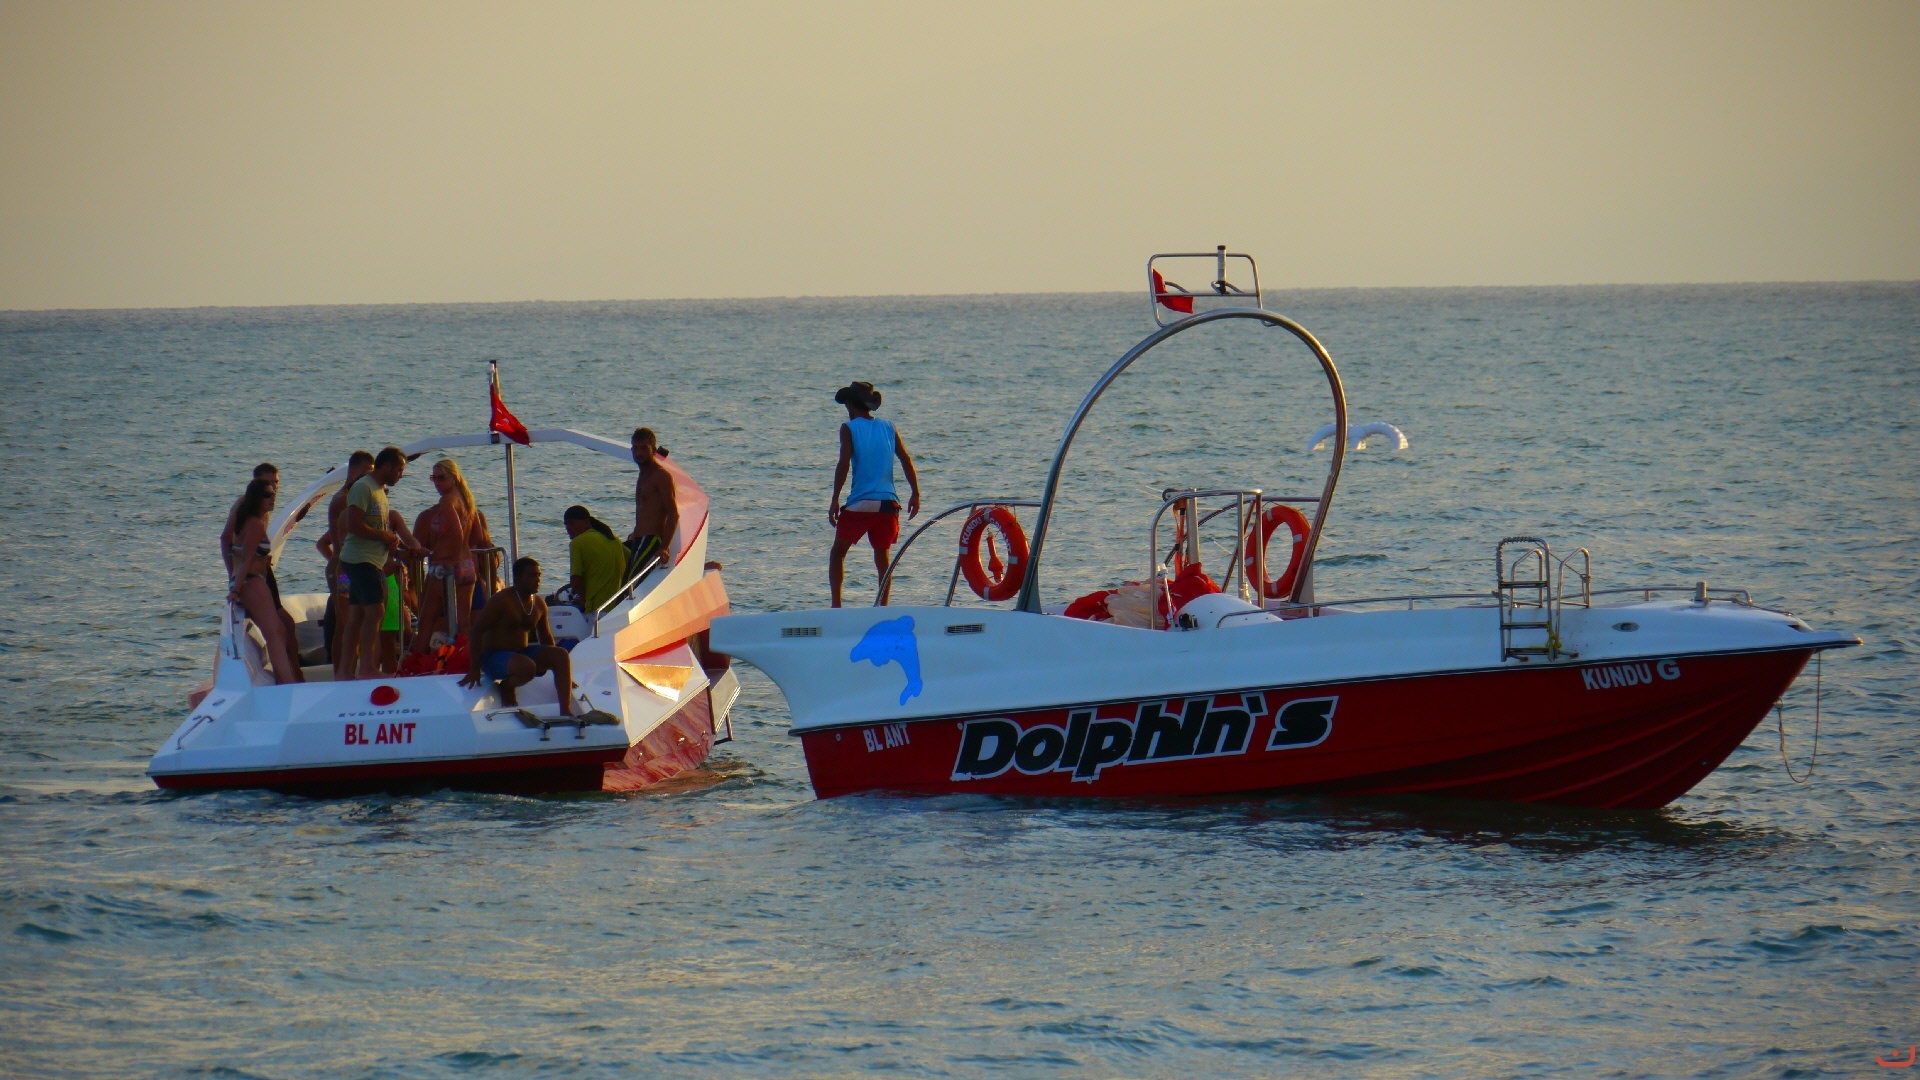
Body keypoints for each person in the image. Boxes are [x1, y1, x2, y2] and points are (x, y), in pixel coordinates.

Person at [828, 380, 921, 607]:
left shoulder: (849, 428)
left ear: (851, 405)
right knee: (882, 556)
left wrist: (835, 499)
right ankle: (882, 607)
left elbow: (843, 463)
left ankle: (836, 606)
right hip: (888, 503)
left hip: (861, 503)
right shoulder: (889, 427)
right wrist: (915, 493)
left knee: (838, 553)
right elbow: (906, 460)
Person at [460, 557, 574, 716]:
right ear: (518, 579)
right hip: (494, 657)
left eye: (539, 575)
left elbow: (546, 637)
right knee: (527, 666)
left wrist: (563, 673)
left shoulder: (539, 603)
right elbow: (476, 632)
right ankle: (507, 686)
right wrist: (474, 669)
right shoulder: (501, 601)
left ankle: (566, 711)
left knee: (561, 655)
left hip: (521, 654)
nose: (538, 580)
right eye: (532, 575)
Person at [338, 447, 408, 680]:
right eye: (399, 470)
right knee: (376, 611)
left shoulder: (379, 491)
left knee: (357, 616)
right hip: (360, 560)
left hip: (371, 560)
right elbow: (354, 525)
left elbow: (376, 526)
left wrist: (392, 541)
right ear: (386, 466)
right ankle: (367, 668)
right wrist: (384, 535)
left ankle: (345, 671)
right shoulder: (363, 487)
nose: (401, 475)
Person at [228, 479, 302, 685]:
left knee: (278, 631)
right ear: (256, 499)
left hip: (249, 581)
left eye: (273, 494)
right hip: (252, 583)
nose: (272, 498)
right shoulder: (255, 523)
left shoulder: (248, 521)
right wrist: (235, 590)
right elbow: (246, 559)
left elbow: (239, 553)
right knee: (275, 634)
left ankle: (285, 679)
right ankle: (286, 682)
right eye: (267, 495)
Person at [411, 457, 483, 654]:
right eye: (433, 478)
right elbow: (476, 536)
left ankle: (415, 661)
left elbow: (456, 533)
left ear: (454, 478)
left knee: (427, 619)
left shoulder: (447, 501)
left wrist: (447, 555)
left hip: (445, 566)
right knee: (463, 622)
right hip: (467, 565)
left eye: (441, 478)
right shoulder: (467, 501)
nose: (437, 483)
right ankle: (468, 661)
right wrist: (461, 551)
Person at [317, 450, 374, 676]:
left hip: (347, 566)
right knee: (346, 624)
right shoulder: (344, 500)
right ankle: (342, 673)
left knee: (352, 623)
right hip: (344, 570)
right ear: (352, 472)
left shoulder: (353, 498)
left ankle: (347, 671)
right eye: (365, 474)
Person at [625, 427, 679, 580]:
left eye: (644, 448)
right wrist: (634, 534)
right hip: (638, 538)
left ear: (653, 450)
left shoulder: (660, 475)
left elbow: (673, 514)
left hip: (651, 539)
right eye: (635, 448)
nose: (639, 453)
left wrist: (665, 547)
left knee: (631, 582)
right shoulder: (643, 474)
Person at [563, 504, 629, 614]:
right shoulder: (614, 539)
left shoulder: (577, 543)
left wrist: (584, 601)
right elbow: (631, 559)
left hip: (598, 609)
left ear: (586, 522)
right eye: (566, 524)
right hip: (619, 606)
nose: (568, 528)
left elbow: (576, 582)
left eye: (572, 523)